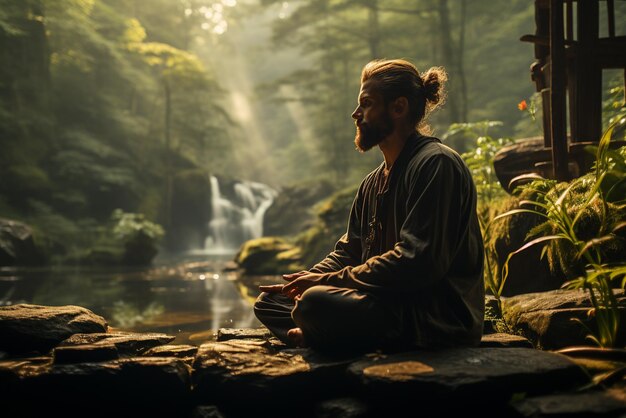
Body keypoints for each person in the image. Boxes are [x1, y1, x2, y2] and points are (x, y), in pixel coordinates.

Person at [254, 58, 484, 354]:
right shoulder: (371, 183)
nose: (355, 113)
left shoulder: (436, 164)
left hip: (433, 317)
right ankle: (320, 333)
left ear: (398, 108)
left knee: (314, 303)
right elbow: (349, 252)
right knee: (274, 302)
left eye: (366, 103)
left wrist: (321, 284)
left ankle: (320, 333)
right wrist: (302, 281)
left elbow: (418, 263)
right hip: (383, 304)